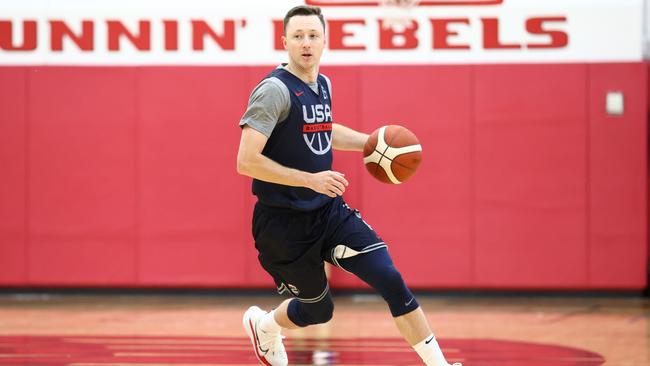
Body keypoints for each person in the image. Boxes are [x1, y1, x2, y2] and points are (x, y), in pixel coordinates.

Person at [236, 5, 461, 366]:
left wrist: (371, 144)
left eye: (313, 36)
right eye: (298, 36)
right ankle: (265, 325)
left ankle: (440, 364)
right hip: (282, 225)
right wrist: (309, 179)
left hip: (327, 212)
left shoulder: (322, 84)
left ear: (325, 40)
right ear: (285, 42)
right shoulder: (273, 91)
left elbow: (322, 128)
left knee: (390, 278)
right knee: (318, 310)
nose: (306, 43)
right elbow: (245, 161)